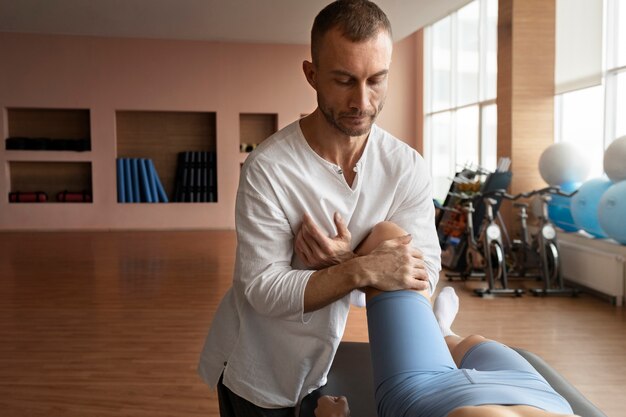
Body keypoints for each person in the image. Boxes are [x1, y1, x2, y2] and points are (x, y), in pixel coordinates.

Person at [197, 0, 441, 415]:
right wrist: (363, 268)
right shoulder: (269, 168)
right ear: (311, 75)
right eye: (344, 80)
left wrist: (343, 261)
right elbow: (264, 290)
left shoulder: (406, 167)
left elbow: (422, 276)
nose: (362, 101)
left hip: (322, 363)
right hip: (255, 367)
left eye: (376, 80)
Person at [313, 222, 578, 417]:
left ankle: (374, 288)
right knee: (475, 343)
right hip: (534, 394)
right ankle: (442, 329)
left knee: (390, 240)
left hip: (428, 390)